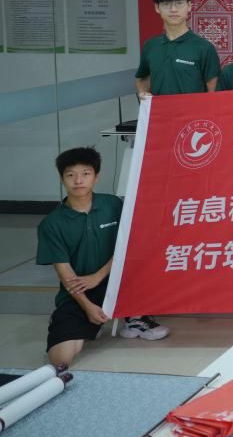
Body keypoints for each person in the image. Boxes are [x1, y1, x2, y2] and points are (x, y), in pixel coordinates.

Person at [38, 147, 169, 366]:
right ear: (62, 178)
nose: (78, 180)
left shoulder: (113, 205)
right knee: (60, 358)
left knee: (152, 258)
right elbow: (65, 273)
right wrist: (87, 307)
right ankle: (79, 322)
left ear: (96, 177)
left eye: (85, 173)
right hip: (81, 291)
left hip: (119, 281)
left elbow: (129, 245)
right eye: (70, 175)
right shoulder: (51, 224)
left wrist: (98, 276)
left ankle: (135, 317)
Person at [134, 0, 219, 97]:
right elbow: (142, 79)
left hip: (193, 109)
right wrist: (143, 92)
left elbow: (213, 90)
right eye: (166, 4)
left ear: (189, 6)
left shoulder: (204, 48)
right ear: (157, 8)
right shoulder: (150, 46)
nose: (173, 9)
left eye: (179, 3)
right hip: (160, 109)